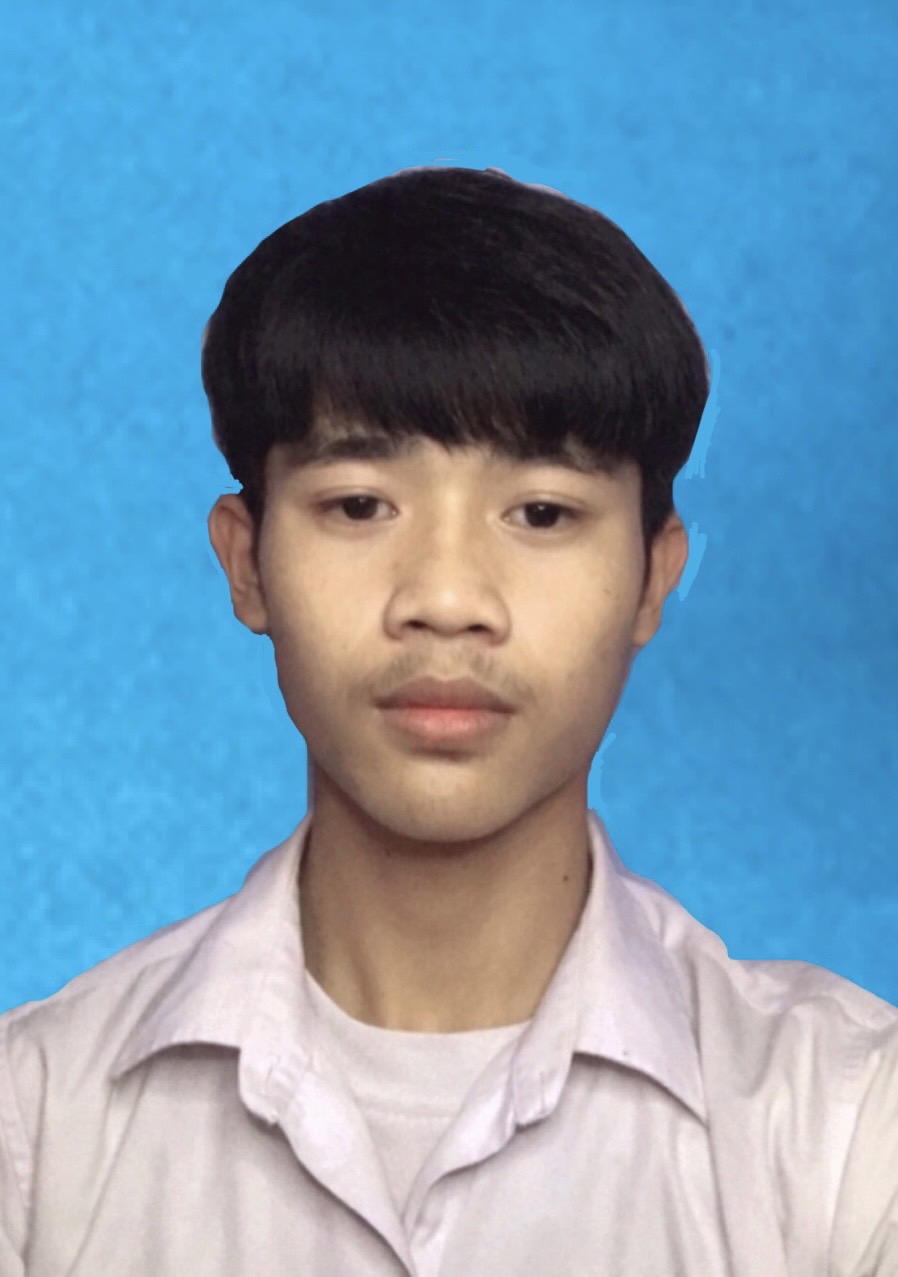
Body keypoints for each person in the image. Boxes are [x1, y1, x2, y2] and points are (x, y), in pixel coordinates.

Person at [0, 165, 895, 1276]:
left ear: (653, 577)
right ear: (247, 563)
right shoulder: (34, 1130)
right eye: (359, 504)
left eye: (542, 512)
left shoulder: (851, 1130)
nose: (447, 596)